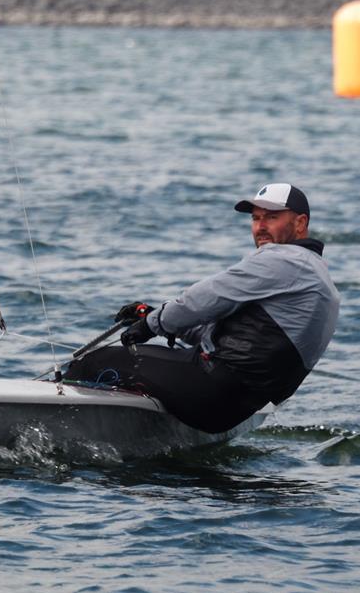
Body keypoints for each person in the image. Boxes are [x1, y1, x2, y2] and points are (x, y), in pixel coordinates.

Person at [63, 183, 340, 434]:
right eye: (256, 218)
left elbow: (205, 297)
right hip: (235, 410)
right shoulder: (318, 278)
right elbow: (230, 335)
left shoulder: (283, 260)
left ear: (301, 222)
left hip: (210, 392)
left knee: (92, 362)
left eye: (272, 217)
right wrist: (153, 314)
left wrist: (151, 325)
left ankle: (59, 431)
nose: (261, 226)